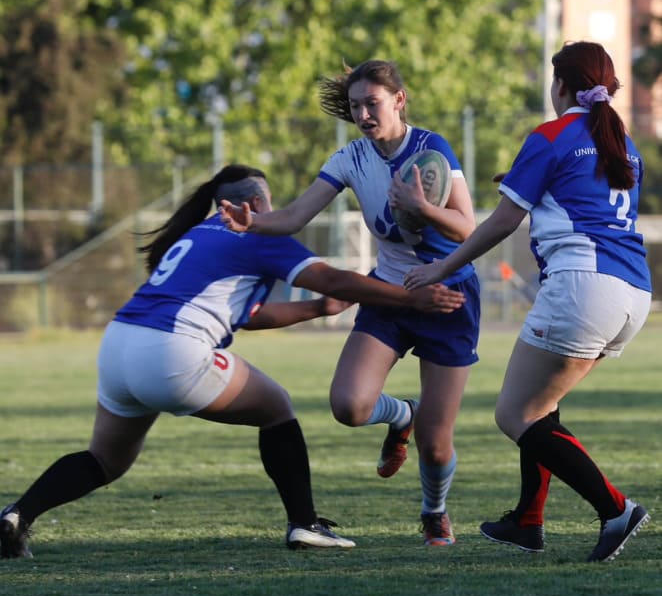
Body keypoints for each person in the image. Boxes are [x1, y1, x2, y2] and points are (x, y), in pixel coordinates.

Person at [0, 164, 466, 560]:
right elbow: (333, 278)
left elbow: (247, 314)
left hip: (120, 345)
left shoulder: (202, 232)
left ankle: (17, 515)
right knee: (277, 409)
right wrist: (411, 298)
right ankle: (304, 524)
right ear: (257, 204)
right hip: (172, 351)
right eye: (273, 204)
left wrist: (313, 310)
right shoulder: (257, 232)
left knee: (103, 459)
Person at [404, 41, 652, 563]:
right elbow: (584, 196)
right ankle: (528, 521)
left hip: (584, 288)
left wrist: (441, 267)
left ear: (560, 85)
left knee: (515, 414)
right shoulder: (623, 143)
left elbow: (499, 223)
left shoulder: (551, 135)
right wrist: (523, 185)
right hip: (633, 294)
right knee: (543, 406)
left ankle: (615, 509)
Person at [219, 60, 480, 546]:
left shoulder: (430, 149)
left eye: (372, 103)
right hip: (389, 293)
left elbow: (469, 229)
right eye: (355, 105)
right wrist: (250, 223)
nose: (362, 113)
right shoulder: (351, 158)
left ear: (399, 100)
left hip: (447, 297)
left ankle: (434, 510)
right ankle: (403, 413)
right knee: (349, 406)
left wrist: (421, 208)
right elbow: (295, 216)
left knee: (437, 446)